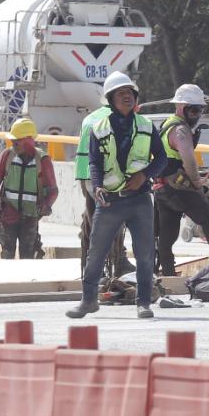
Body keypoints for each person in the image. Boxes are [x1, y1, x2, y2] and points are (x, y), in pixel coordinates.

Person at [66, 72, 168, 319]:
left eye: (130, 93)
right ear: (110, 99)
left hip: (140, 199)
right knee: (96, 252)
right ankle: (88, 300)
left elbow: (162, 158)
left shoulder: (145, 126)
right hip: (110, 200)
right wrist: (98, 186)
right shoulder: (98, 128)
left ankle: (143, 302)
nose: (127, 97)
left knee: (144, 253)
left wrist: (144, 175)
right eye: (121, 94)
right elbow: (94, 162)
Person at [153, 83, 209, 276]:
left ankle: (168, 274)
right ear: (181, 107)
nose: (196, 115)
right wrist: (198, 185)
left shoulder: (166, 124)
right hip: (178, 189)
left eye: (200, 111)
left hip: (162, 189)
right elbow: (189, 162)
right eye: (193, 110)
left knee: (167, 235)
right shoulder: (180, 130)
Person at [74, 76, 131, 282]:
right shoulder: (116, 119)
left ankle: (93, 268)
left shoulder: (90, 117)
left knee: (93, 221)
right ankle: (115, 263)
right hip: (106, 176)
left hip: (85, 175)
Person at [0, 118, 58, 259]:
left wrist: (46, 206)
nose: (13, 144)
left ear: (28, 140)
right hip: (7, 217)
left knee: (27, 258)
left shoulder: (43, 160)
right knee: (7, 256)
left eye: (16, 141)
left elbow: (53, 190)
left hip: (30, 218)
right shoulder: (7, 156)